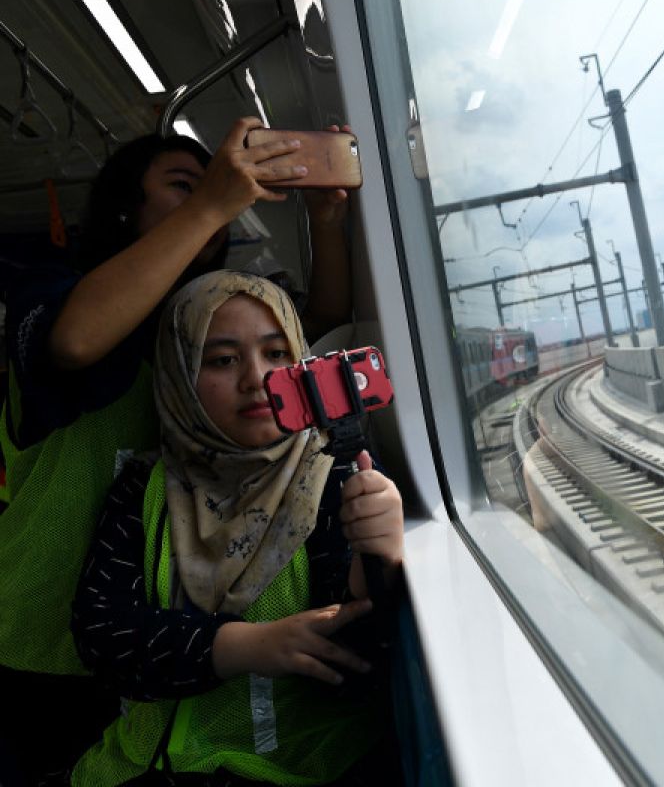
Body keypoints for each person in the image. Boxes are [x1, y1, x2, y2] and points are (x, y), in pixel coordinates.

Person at [0, 117, 352, 786]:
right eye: (184, 186)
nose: (249, 374)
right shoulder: (50, 292)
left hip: (150, 632)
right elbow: (76, 342)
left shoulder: (202, 322)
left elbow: (320, 334)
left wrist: (326, 223)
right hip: (40, 643)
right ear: (125, 206)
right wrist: (215, 199)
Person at [71, 271, 404, 786]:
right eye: (223, 360)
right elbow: (101, 637)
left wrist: (376, 562)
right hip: (148, 768)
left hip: (309, 770)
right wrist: (242, 646)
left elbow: (359, 670)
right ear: (179, 376)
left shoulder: (339, 474)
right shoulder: (144, 489)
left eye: (277, 354)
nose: (257, 379)